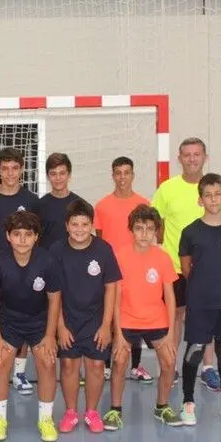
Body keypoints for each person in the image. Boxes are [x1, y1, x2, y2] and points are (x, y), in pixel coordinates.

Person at [151, 137, 221, 391]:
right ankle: (172, 366)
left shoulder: (214, 188)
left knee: (206, 317)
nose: (192, 159)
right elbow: (156, 222)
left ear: (205, 157)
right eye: (187, 155)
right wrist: (167, 247)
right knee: (176, 316)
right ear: (179, 159)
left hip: (208, 270)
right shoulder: (167, 188)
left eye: (196, 154)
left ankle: (208, 368)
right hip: (175, 268)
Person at [103, 205, 183, 431]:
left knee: (169, 362)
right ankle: (115, 409)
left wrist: (170, 333)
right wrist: (118, 333)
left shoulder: (163, 258)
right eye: (139, 228)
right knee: (119, 361)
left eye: (149, 229)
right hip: (127, 320)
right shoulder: (120, 256)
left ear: (156, 231)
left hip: (156, 320)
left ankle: (162, 406)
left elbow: (170, 297)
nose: (144, 234)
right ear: (131, 230)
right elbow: (116, 297)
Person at [178, 174, 221, 426]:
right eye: (208, 195)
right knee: (195, 350)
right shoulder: (190, 232)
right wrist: (202, 289)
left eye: (217, 194)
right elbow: (186, 269)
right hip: (199, 303)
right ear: (200, 200)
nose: (213, 199)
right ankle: (188, 402)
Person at [0, 211, 61, 442]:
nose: (23, 239)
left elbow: (55, 299)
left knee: (47, 362)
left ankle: (46, 420)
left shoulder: (47, 261)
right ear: (8, 236)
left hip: (39, 320)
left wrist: (50, 335)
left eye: (28, 234)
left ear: (36, 237)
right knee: (1, 362)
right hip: (9, 321)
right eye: (17, 234)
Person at [51, 199, 121, 434]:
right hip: (67, 318)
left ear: (92, 225)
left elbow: (111, 288)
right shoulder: (57, 251)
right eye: (74, 224)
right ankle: (71, 412)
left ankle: (92, 412)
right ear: (66, 225)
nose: (79, 229)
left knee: (96, 365)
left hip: (96, 319)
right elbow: (53, 293)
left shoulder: (104, 249)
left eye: (84, 224)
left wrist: (106, 325)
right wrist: (60, 326)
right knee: (68, 365)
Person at [0, 147, 39, 397]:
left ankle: (19, 373)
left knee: (22, 317)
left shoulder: (32, 200)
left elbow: (34, 232)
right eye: (5, 168)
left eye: (14, 168)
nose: (10, 173)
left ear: (21, 169)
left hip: (24, 269)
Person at [95, 156, 153, 383]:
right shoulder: (102, 205)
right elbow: (100, 240)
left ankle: (136, 366)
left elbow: (148, 237)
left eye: (126, 172)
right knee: (111, 315)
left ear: (133, 175)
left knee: (134, 315)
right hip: (112, 271)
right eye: (118, 173)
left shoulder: (143, 204)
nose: (122, 177)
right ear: (112, 176)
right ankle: (107, 364)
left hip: (136, 270)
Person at [35, 153, 88, 387]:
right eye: (53, 174)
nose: (58, 178)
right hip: (48, 271)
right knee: (49, 319)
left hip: (73, 271)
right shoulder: (40, 205)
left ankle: (77, 366)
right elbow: (35, 238)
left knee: (74, 316)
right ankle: (48, 365)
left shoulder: (79, 204)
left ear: (69, 174)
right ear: (48, 176)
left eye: (62, 173)